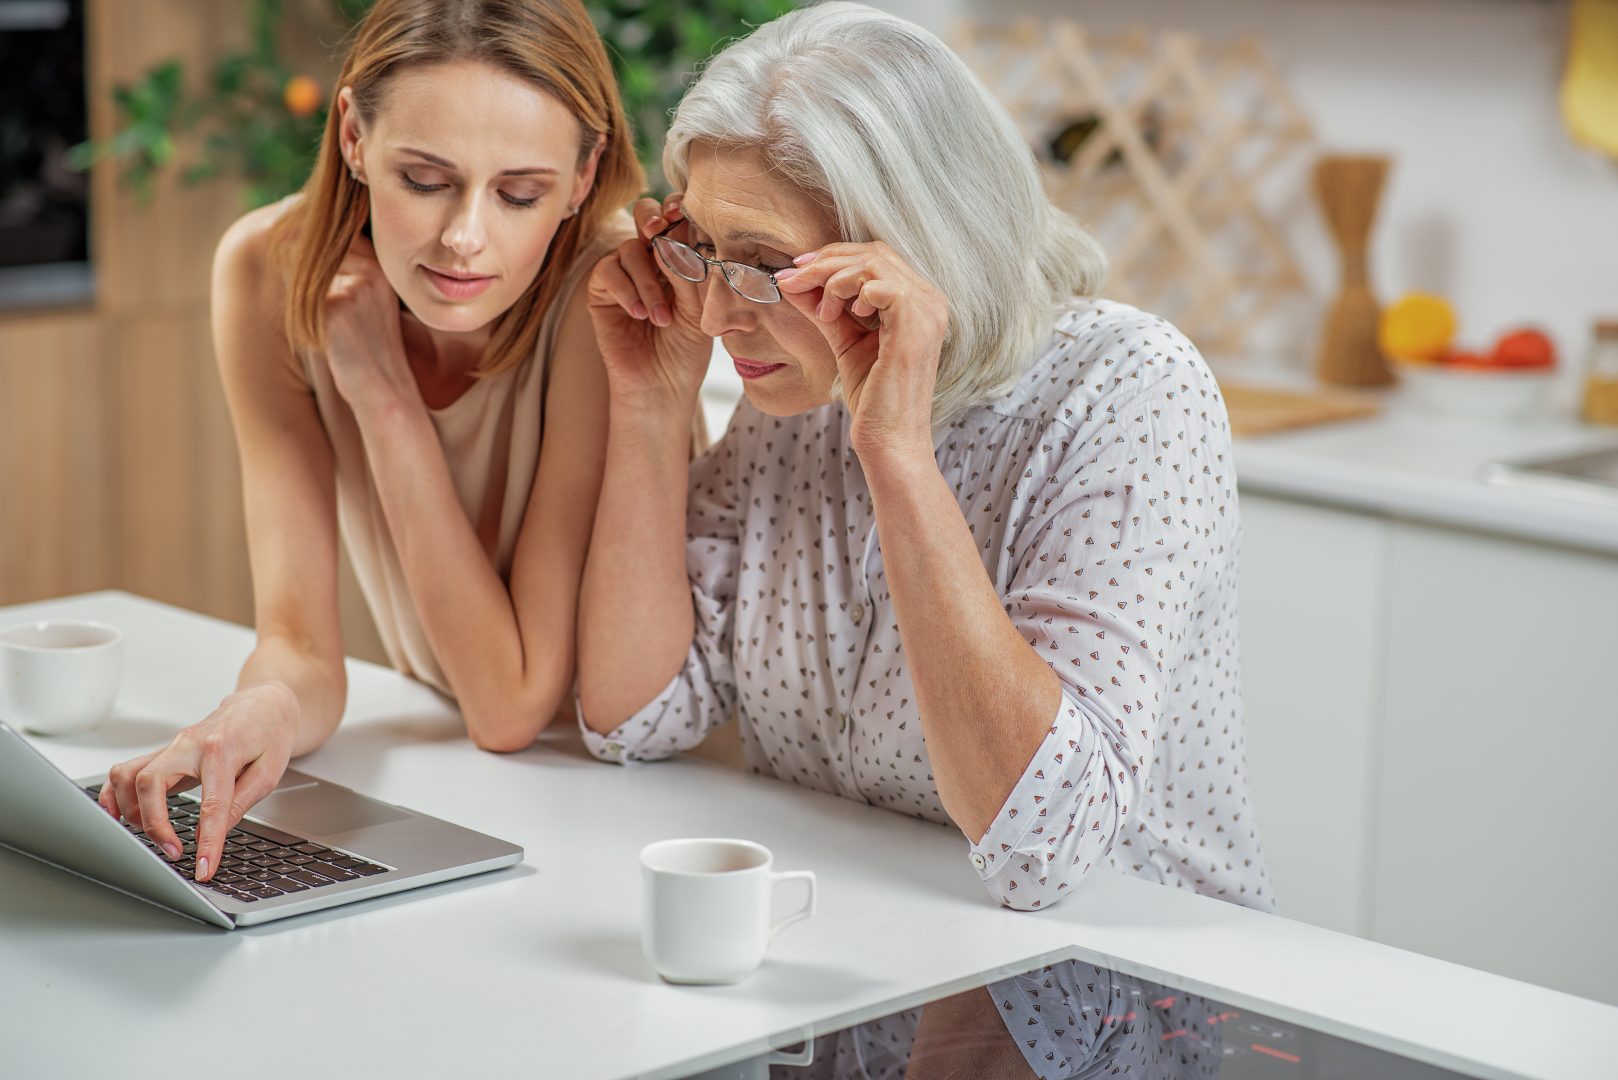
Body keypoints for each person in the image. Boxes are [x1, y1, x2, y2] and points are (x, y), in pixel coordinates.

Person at [579, 1, 1275, 917]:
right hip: (881, 946)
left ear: (912, 248)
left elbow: (1044, 849)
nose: (714, 316)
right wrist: (648, 400)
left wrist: (898, 453)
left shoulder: (1129, 389)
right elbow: (634, 717)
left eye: (762, 263)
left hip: (1128, 977)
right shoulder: (795, 388)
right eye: (702, 251)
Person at [99, 0, 645, 885]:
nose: (465, 238)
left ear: (583, 178)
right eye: (424, 180)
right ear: (352, 134)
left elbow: (511, 704)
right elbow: (301, 643)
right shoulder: (264, 273)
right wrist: (258, 711)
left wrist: (383, 396)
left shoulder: (605, 297)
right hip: (482, 796)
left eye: (520, 194)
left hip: (642, 804)